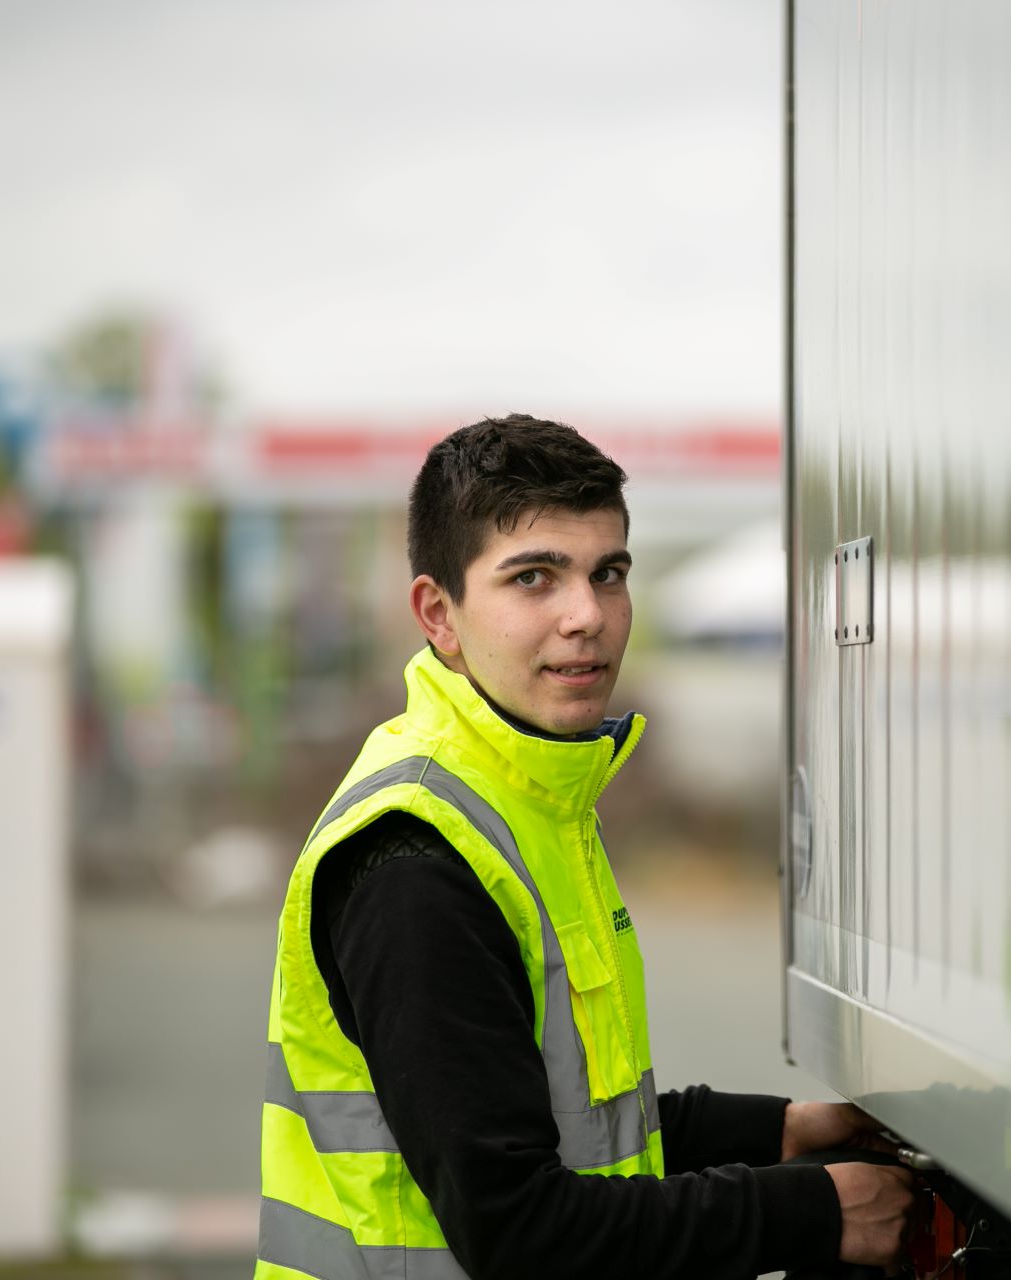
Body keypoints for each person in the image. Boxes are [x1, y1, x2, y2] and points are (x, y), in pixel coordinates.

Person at [257, 415, 919, 1279]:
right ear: (439, 614)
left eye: (609, 573)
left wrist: (777, 1129)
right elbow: (522, 1229)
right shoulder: (416, 859)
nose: (589, 616)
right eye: (534, 578)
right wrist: (810, 1213)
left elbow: (569, 1123)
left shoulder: (530, 799)